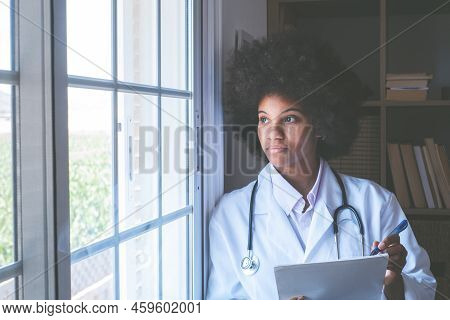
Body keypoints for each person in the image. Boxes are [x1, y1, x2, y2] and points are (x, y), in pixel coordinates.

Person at [206, 28, 436, 300]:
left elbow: (425, 293)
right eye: (264, 119)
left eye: (289, 119)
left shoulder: (376, 203)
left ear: (321, 126)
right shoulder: (231, 215)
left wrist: (393, 283)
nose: (273, 134)